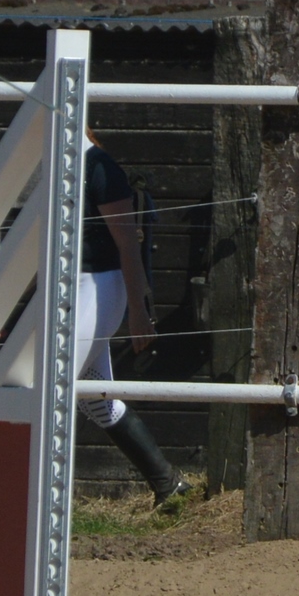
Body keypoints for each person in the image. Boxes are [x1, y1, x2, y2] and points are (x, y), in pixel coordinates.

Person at [79, 132, 190, 508]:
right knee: (96, 399)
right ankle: (168, 483)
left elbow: (128, 244)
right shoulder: (52, 165)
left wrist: (138, 312)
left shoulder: (99, 167)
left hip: (95, 287)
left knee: (52, 389)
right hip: (71, 291)